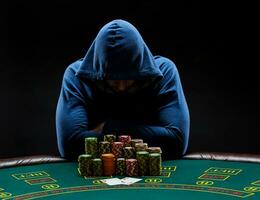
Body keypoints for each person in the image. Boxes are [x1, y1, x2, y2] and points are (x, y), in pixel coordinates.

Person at [55, 19, 190, 160]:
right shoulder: (76, 76)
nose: (121, 87)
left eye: (128, 78)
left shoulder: (164, 72)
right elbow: (69, 145)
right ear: (98, 72)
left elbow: (176, 142)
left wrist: (108, 127)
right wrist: (150, 134)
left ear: (140, 68)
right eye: (112, 79)